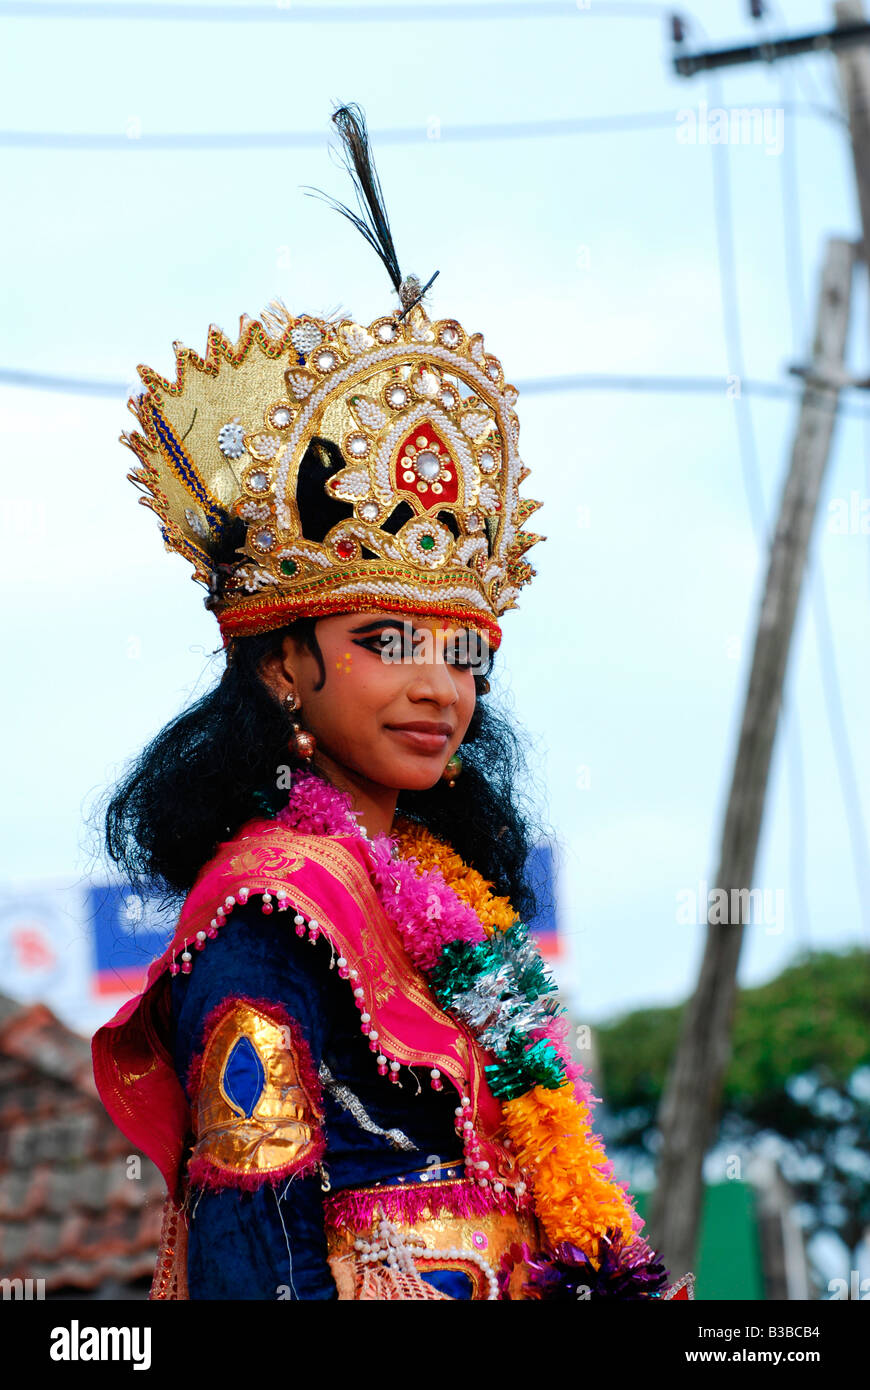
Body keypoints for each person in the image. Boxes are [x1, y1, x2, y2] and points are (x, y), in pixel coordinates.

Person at [91, 104, 693, 1301]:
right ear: (278, 663)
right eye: (385, 639)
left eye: (460, 648)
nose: (440, 685)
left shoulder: (447, 902)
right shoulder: (267, 912)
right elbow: (252, 1256)